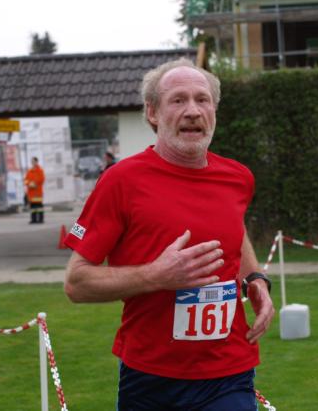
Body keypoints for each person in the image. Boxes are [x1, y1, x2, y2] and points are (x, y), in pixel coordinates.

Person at [64, 59, 274, 410]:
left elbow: (233, 230)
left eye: (202, 99)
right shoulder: (121, 181)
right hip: (151, 377)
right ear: (153, 113)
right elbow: (76, 283)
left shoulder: (238, 178)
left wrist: (255, 279)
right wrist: (156, 276)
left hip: (229, 371)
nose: (193, 111)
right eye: (178, 100)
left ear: (214, 111)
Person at [24, 157, 45, 224]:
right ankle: (33, 219)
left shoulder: (40, 170)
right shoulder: (29, 171)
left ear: (36, 162)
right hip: (31, 192)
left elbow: (42, 179)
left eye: (34, 161)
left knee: (39, 206)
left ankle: (40, 219)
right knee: (32, 206)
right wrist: (28, 184)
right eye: (32, 161)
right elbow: (25, 180)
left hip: (37, 192)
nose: (33, 163)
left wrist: (35, 184)